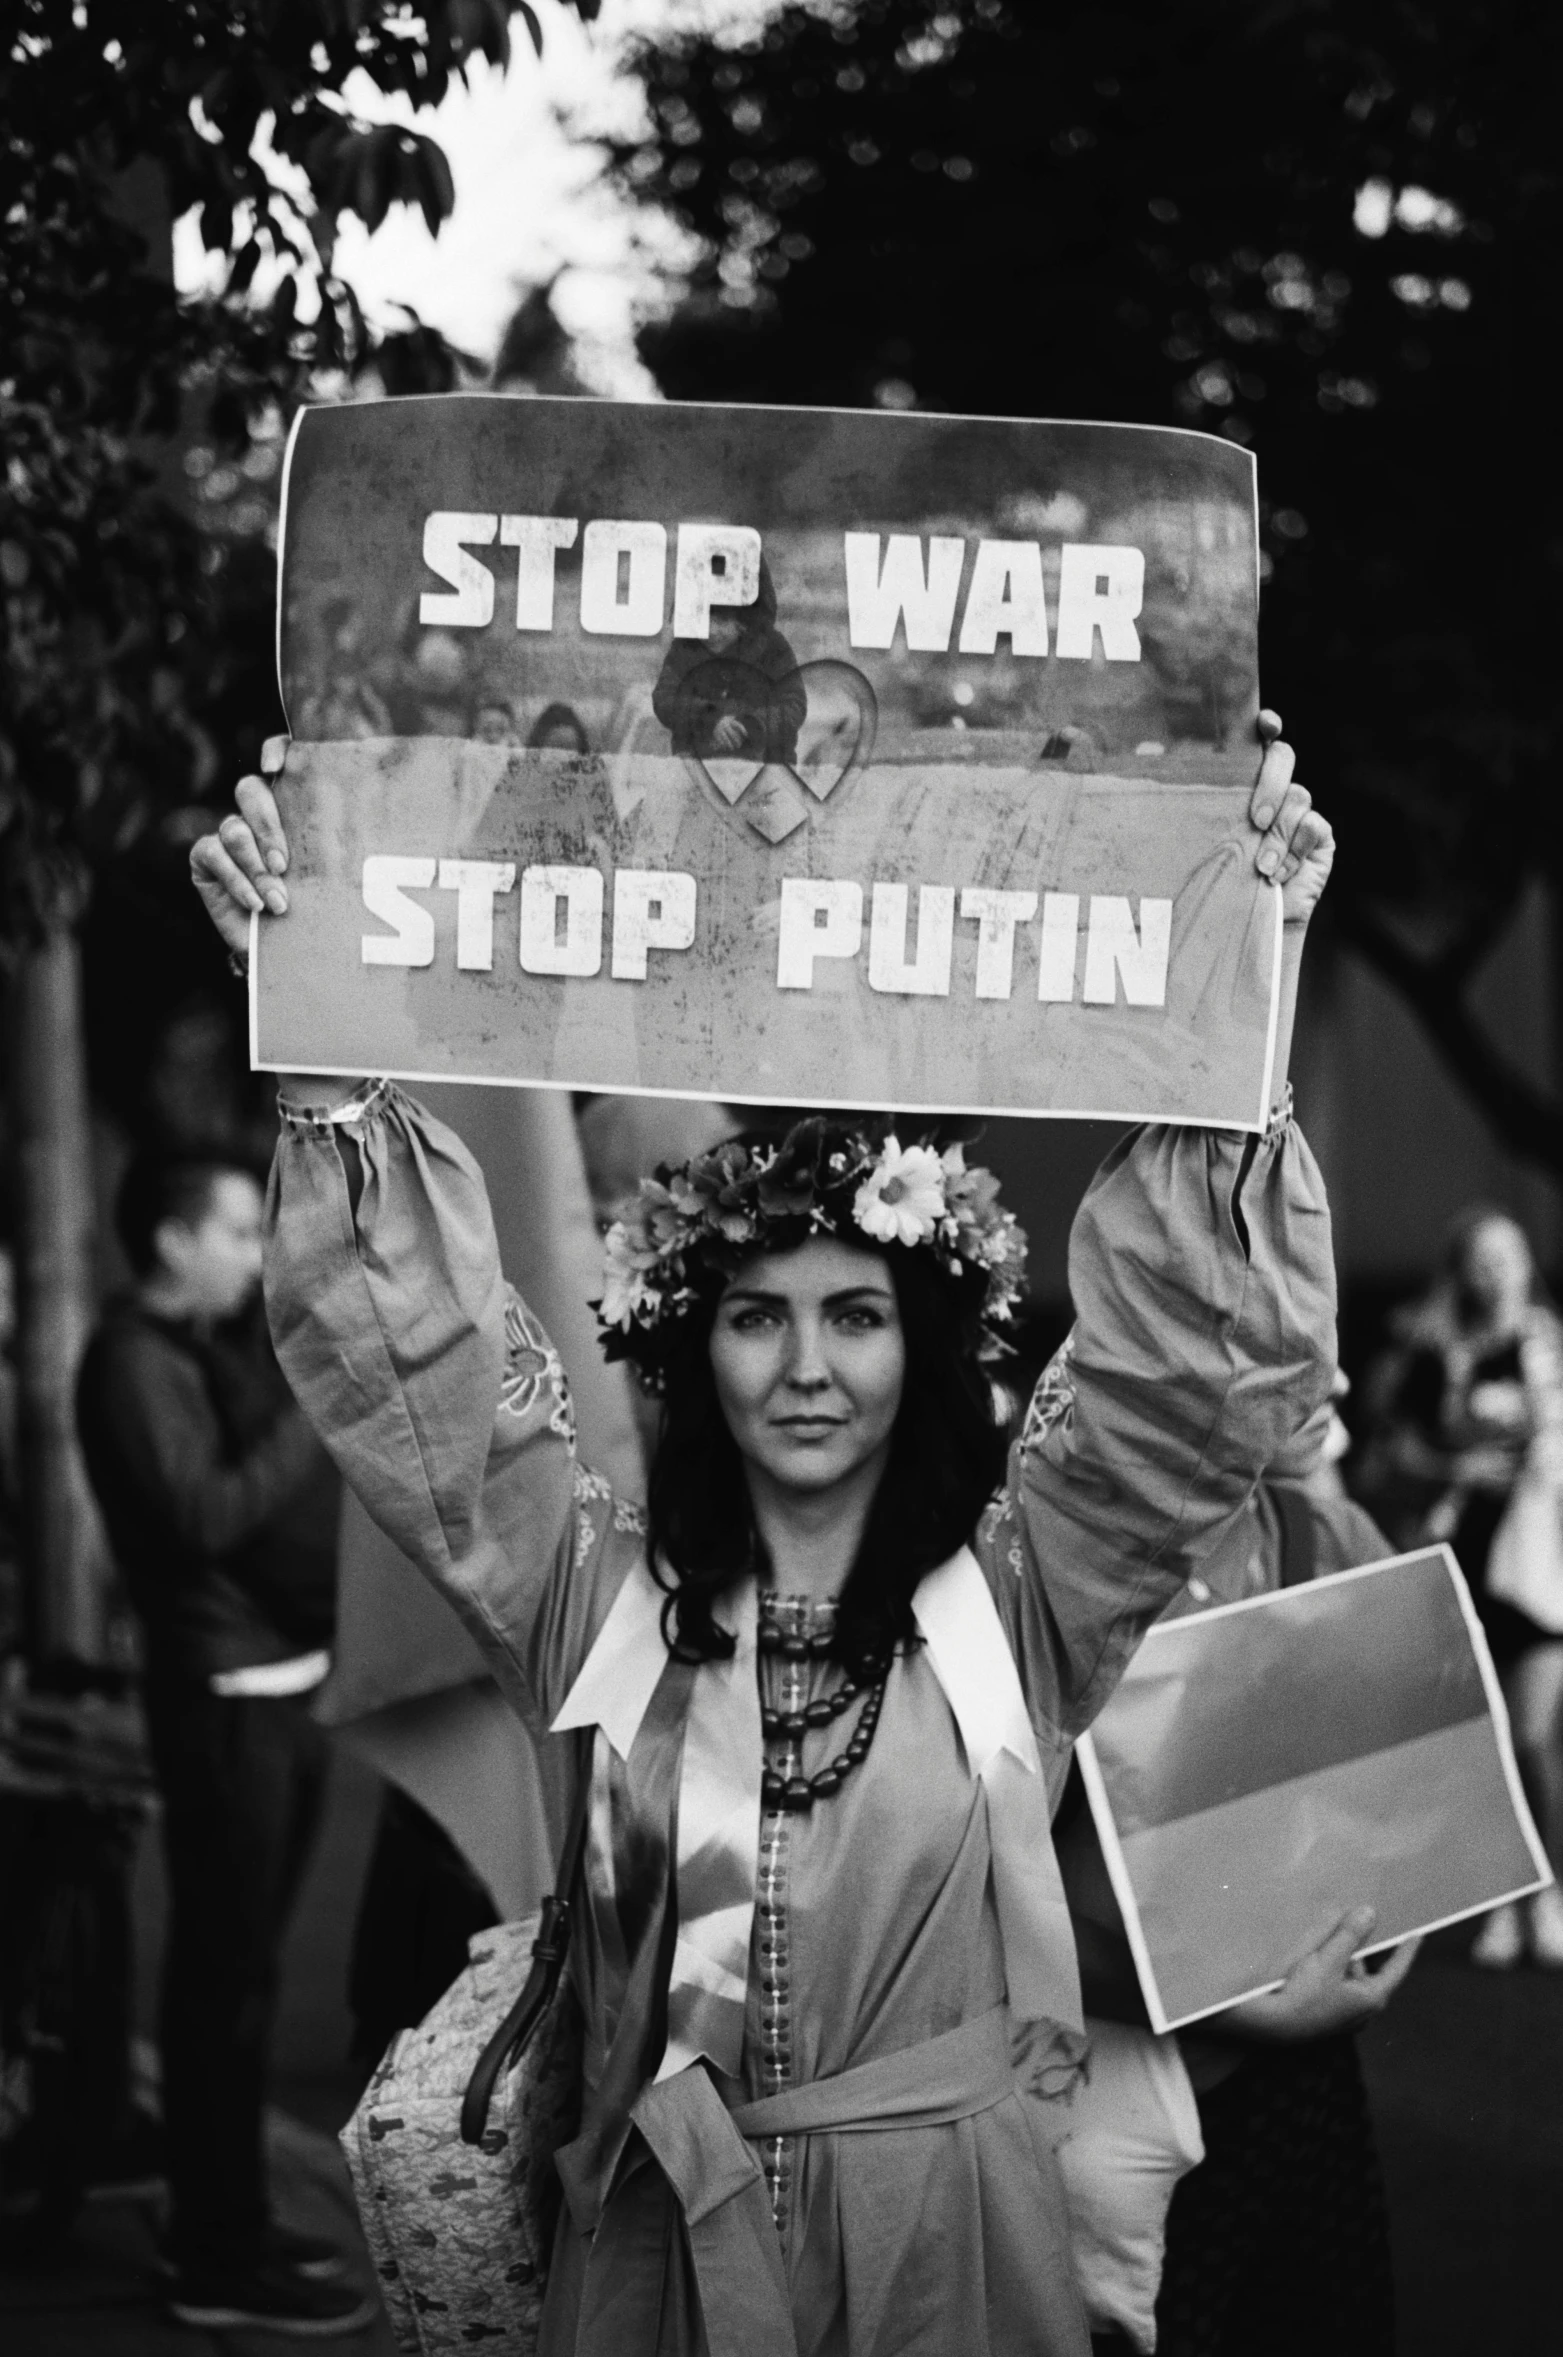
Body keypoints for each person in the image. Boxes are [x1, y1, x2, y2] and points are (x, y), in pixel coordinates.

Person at [190, 717, 1335, 2357]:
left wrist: (1248, 968)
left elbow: (1183, 1381)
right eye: (757, 1319)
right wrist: (316, 1042)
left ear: (916, 1353)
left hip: (941, 2257)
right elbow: (423, 1380)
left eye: (855, 1316)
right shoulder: (594, 1593)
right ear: (684, 1351)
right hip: (656, 2254)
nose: (807, 1364)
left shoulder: (1012, 1599)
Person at [76, 1151, 370, 2337]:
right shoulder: (132, 1362)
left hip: (276, 1683)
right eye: (239, 1233)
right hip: (225, 1697)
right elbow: (199, 1514)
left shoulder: (196, 1349)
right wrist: (316, 1412)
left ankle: (236, 2226)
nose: (257, 1257)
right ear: (168, 1242)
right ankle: (211, 2251)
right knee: (222, 1984)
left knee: (238, 1980)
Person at [1058, 1410, 1417, 2356]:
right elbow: (980, 1893)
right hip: (1127, 2078)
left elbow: (1410, 1776)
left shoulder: (1328, 1537)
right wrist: (1239, 2011)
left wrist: (1399, 1916)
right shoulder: (1047, 1565)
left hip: (1306, 2079)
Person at [1358, 1206, 1563, 1967]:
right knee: (1484, 1745)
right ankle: (1500, 1900)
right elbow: (1389, 1457)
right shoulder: (1436, 1353)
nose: (1496, 1270)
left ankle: (1545, 1891)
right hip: (1464, 1563)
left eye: (1508, 1255)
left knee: (1534, 1735)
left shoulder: (1547, 1347)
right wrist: (1458, 1469)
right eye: (1481, 1257)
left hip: (1540, 1570)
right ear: (1461, 1269)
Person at [652, 556, 807, 764]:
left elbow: (793, 705)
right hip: (699, 767)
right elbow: (666, 698)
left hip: (766, 768)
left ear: (745, 621)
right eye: (703, 618)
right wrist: (708, 719)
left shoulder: (773, 648)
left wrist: (751, 725)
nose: (711, 631)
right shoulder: (685, 648)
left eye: (723, 620)